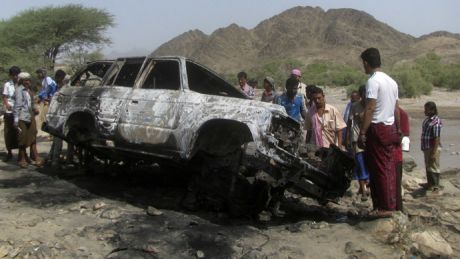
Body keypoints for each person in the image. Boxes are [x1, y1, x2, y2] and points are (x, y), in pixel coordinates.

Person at [358, 47, 400, 218]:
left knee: (380, 167)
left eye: (363, 64)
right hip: (389, 127)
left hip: (377, 127)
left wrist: (362, 132)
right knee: (387, 166)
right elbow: (396, 108)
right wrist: (398, 129)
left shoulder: (373, 81)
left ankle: (385, 206)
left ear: (367, 63)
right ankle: (387, 204)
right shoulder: (392, 81)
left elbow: (370, 107)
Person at [13, 72, 42, 168]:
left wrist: (35, 109)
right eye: (26, 80)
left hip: (30, 115)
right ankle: (22, 158)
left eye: (29, 80)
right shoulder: (19, 91)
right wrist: (16, 120)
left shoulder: (29, 90)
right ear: (22, 81)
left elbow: (31, 103)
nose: (28, 82)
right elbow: (17, 106)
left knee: (33, 134)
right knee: (22, 137)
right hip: (22, 117)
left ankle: (35, 156)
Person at [346, 85, 369, 200]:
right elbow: (350, 122)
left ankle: (365, 187)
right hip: (357, 138)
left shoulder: (372, 107)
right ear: (361, 96)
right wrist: (347, 138)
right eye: (364, 94)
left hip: (370, 139)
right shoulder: (354, 106)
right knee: (360, 163)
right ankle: (364, 191)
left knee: (369, 163)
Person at [420, 101, 443, 193]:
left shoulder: (436, 121)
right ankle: (429, 184)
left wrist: (434, 152)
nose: (424, 111)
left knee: (434, 165)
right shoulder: (427, 120)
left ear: (432, 110)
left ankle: (435, 185)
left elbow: (437, 138)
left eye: (426, 109)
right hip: (426, 147)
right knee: (428, 165)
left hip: (432, 147)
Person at [47, 69, 67, 168]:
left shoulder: (60, 87)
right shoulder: (62, 88)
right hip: (59, 116)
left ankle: (51, 157)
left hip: (57, 115)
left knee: (56, 138)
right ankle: (54, 160)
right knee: (58, 138)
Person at [2, 66, 21, 162]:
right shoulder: (7, 85)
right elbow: (4, 96)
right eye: (13, 75)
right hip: (9, 112)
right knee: (8, 132)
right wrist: (7, 104)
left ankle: (21, 154)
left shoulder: (22, 84)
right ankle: (9, 153)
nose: (15, 77)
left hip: (19, 111)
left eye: (16, 75)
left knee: (20, 132)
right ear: (10, 75)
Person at [394, 107, 410, 211]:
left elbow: (401, 132)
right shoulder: (400, 111)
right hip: (402, 138)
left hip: (400, 141)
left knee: (396, 180)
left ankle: (398, 206)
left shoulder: (397, 112)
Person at [36, 68, 57, 135]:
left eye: (38, 73)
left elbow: (51, 87)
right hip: (47, 100)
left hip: (51, 100)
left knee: (49, 116)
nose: (37, 75)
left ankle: (52, 133)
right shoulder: (44, 81)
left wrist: (48, 96)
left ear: (42, 73)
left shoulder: (48, 79)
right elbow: (45, 90)